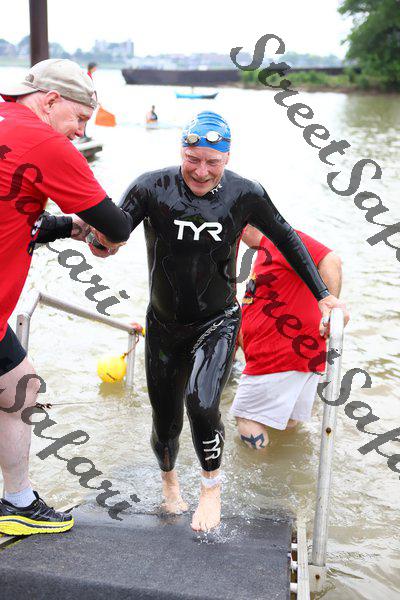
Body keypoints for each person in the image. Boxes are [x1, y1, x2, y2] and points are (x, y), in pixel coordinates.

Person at [52, 110, 349, 532]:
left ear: (227, 158)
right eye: (193, 159)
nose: (202, 171)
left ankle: (211, 489)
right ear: (182, 152)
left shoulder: (246, 193)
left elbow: (286, 237)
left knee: (202, 401)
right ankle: (170, 484)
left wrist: (324, 296)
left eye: (213, 162)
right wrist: (101, 243)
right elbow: (117, 231)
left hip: (218, 321)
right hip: (164, 324)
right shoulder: (151, 186)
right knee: (165, 422)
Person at [0, 58, 133, 536]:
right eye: (78, 118)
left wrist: (69, 227)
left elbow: (16, 210)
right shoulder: (44, 142)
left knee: (20, 385)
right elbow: (116, 225)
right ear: (51, 100)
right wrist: (102, 236)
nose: (80, 132)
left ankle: (17, 503)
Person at [231, 225, 343, 448]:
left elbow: (331, 260)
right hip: (295, 356)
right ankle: (283, 467)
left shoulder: (281, 238)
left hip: (281, 354)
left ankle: (259, 470)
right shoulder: (265, 250)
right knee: (286, 423)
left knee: (247, 417)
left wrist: (329, 310)